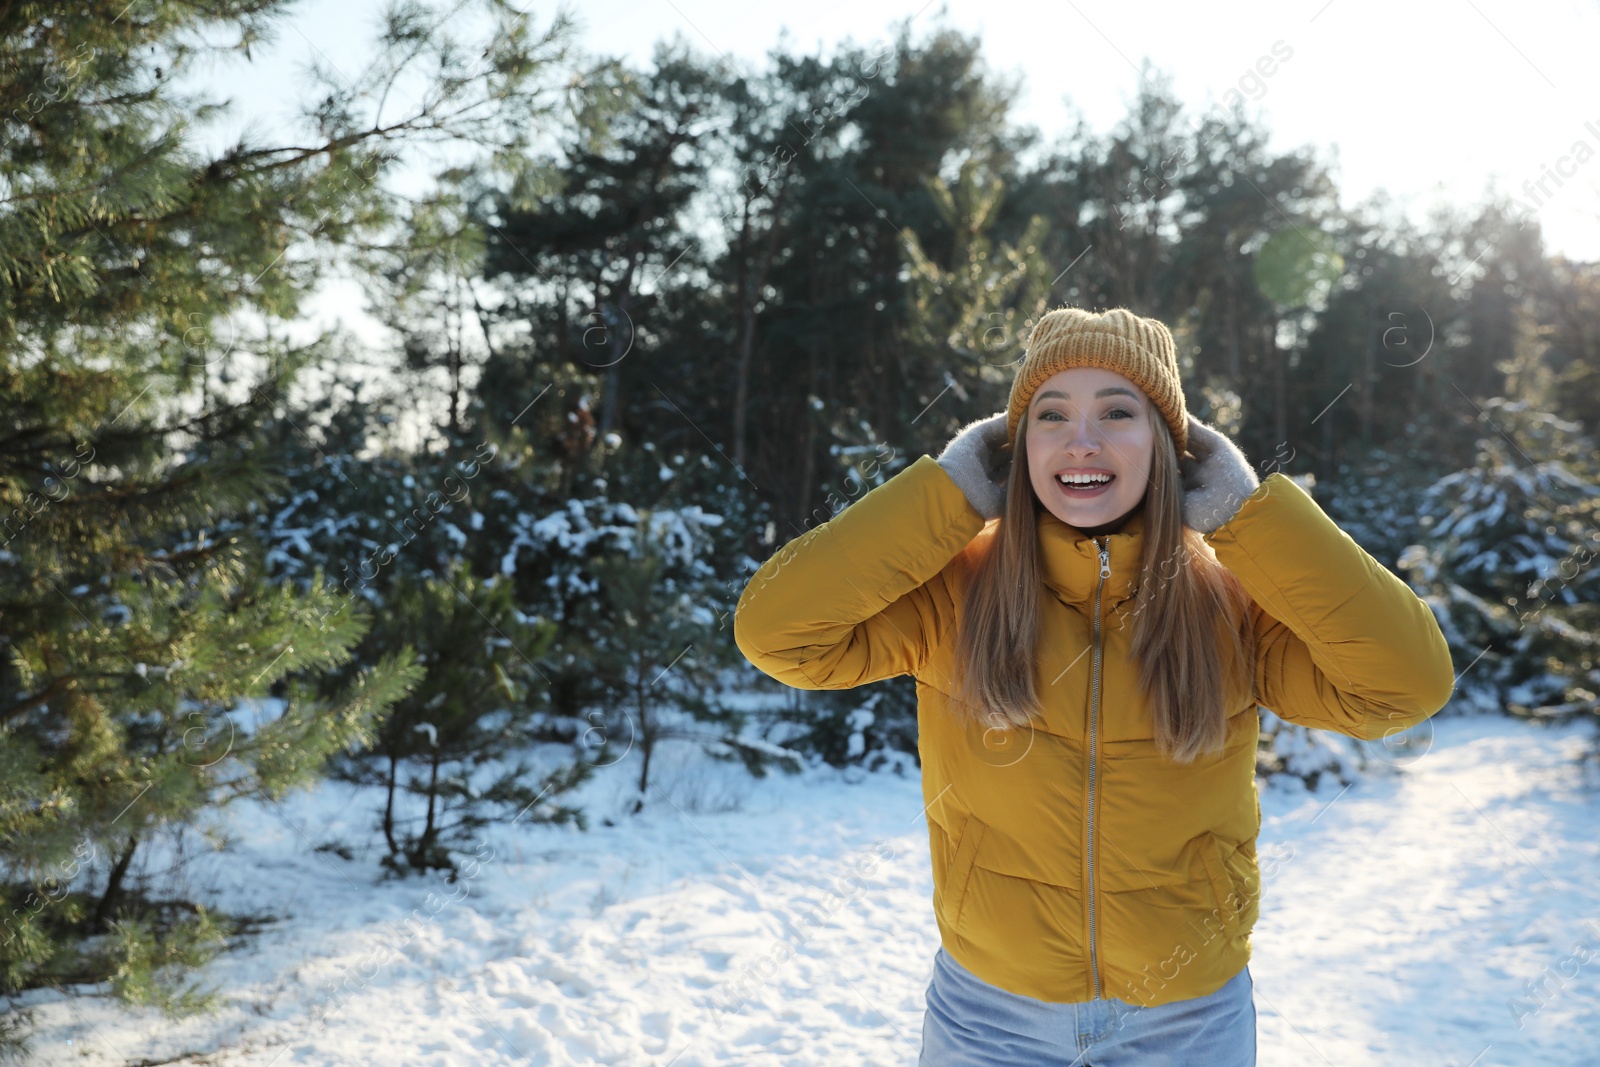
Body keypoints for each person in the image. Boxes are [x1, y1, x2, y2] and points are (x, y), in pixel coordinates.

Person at [732, 306, 1456, 1066]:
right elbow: (776, 633)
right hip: (991, 1014)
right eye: (1051, 415)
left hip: (1187, 1019)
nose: (1083, 439)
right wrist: (948, 495)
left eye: (1118, 411)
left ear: (1172, 449)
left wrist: (1248, 514)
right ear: (1015, 450)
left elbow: (1405, 687)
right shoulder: (955, 596)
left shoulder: (1234, 605)